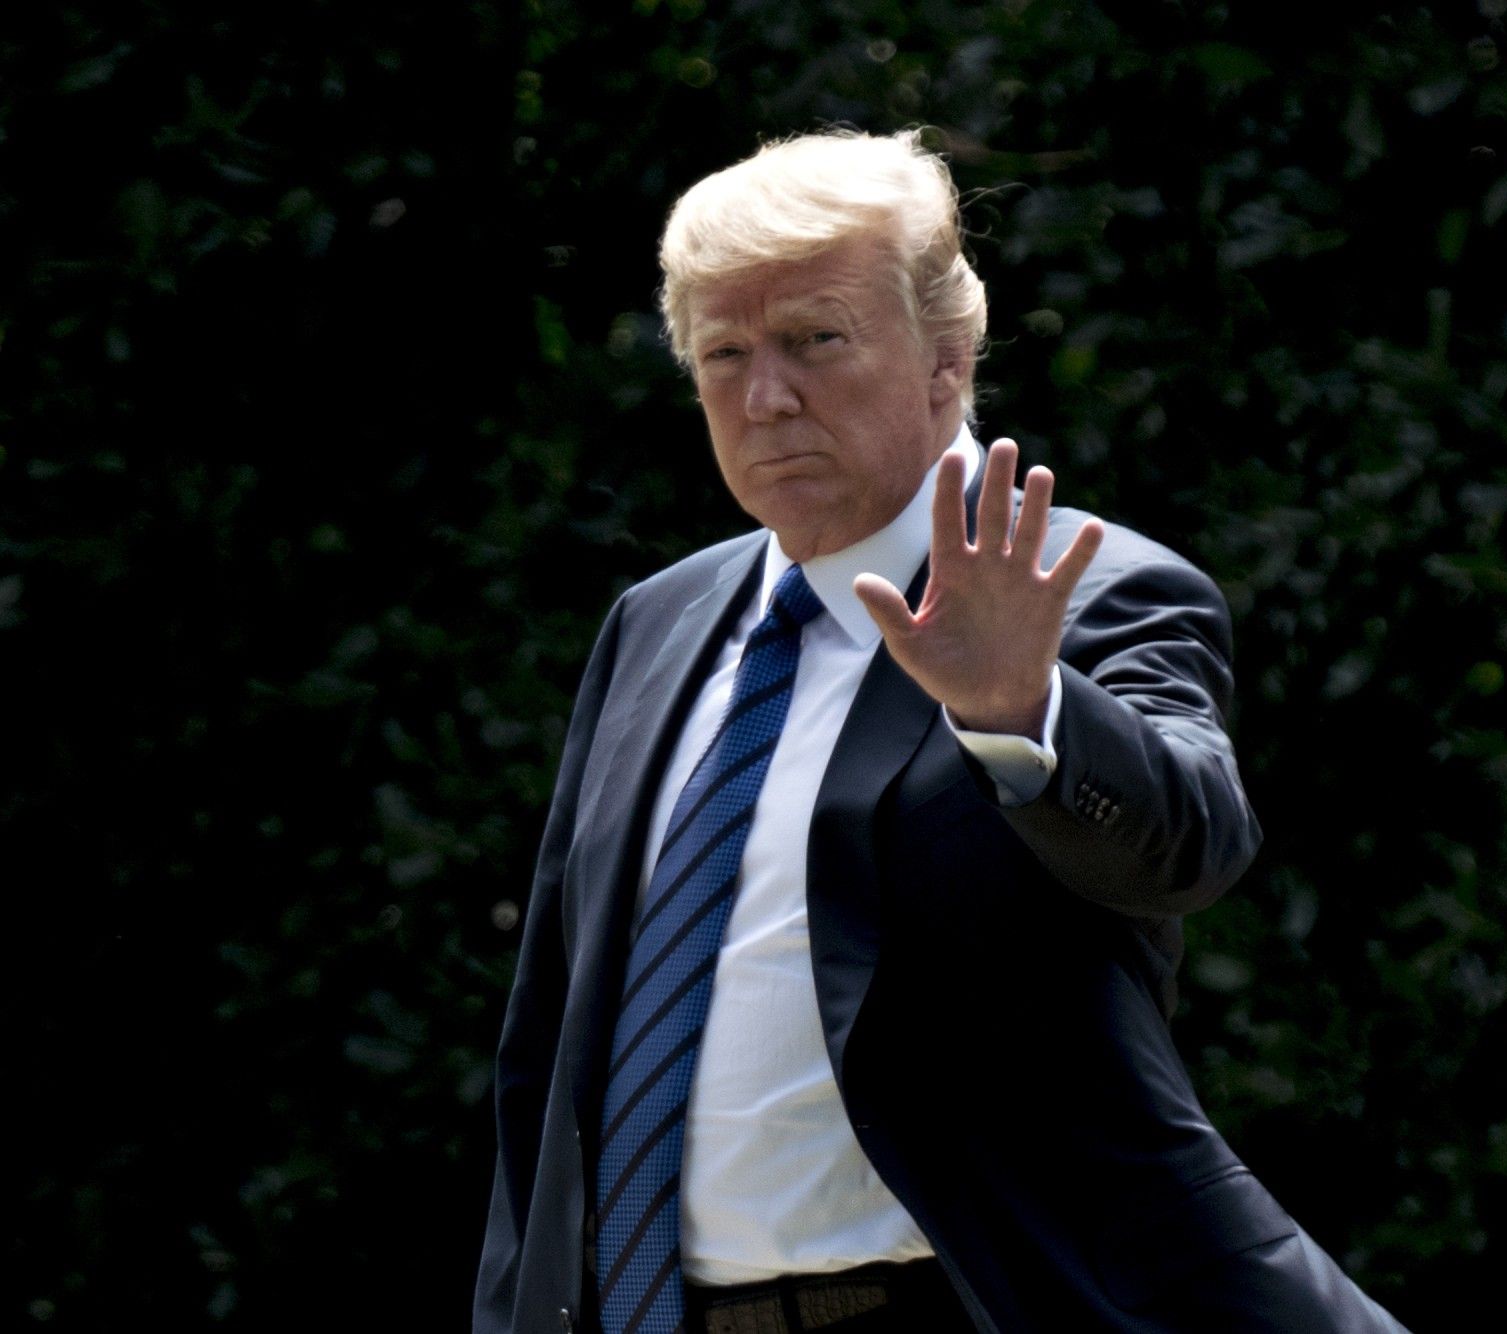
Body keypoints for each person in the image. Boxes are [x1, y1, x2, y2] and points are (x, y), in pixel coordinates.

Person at [474, 128, 1411, 1334]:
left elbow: (1188, 844)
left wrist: (1015, 709)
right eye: (724, 352)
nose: (766, 397)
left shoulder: (1089, 588)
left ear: (946, 360)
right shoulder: (655, 625)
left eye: (815, 338)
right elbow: (555, 1042)